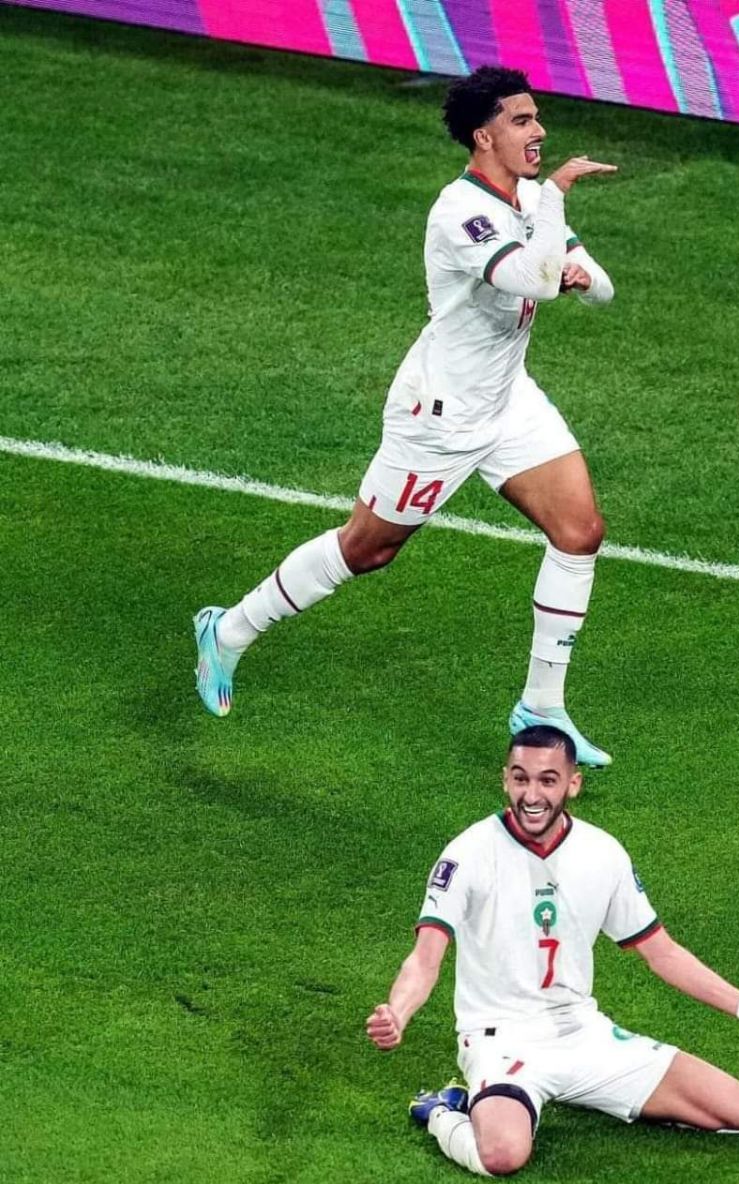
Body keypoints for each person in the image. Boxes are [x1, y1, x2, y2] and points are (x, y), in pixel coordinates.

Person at [193, 66, 619, 766]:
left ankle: (542, 707)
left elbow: (600, 290)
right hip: (441, 414)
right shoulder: (461, 213)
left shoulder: (530, 199)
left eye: (536, 117)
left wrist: (574, 263)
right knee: (368, 549)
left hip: (507, 399)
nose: (538, 130)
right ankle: (229, 631)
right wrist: (557, 207)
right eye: (521, 120)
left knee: (580, 532)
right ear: (483, 136)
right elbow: (530, 280)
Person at [365, 725, 739, 1177]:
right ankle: (442, 1111)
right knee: (502, 1155)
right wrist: (398, 1012)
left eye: (547, 780)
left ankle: (575, 1091)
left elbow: (663, 954)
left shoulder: (602, 853)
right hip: (500, 1040)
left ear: (573, 783)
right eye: (520, 778)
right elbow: (426, 958)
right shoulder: (468, 855)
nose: (531, 795)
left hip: (583, 1033)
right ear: (505, 779)